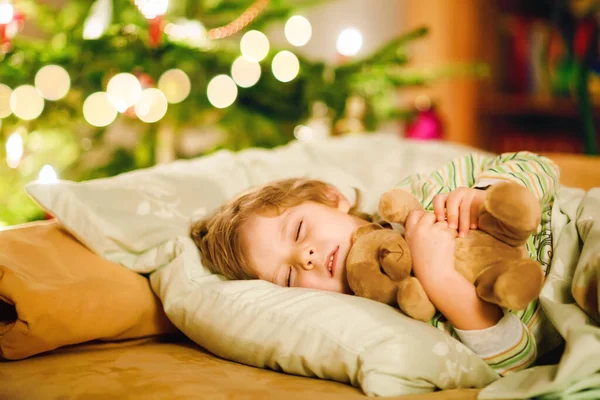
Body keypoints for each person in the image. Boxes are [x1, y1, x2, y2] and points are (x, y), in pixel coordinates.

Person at [191, 151, 561, 376]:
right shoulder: (400, 314)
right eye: (287, 275)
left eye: (299, 229)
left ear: (330, 197)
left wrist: (485, 196)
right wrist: (440, 279)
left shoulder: (420, 194)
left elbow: (539, 167)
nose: (305, 257)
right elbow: (518, 362)